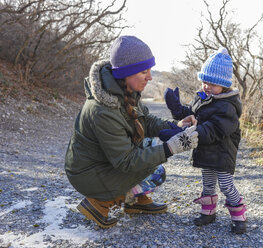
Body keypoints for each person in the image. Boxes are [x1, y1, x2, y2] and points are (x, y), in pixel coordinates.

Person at [64, 36, 199, 229]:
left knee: (152, 151)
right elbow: (126, 161)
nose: (150, 77)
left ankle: (134, 201)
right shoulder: (102, 110)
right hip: (87, 174)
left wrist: (176, 126)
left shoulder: (125, 90)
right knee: (154, 168)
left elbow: (145, 121)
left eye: (150, 70)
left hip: (101, 163)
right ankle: (99, 203)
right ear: (126, 73)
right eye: (144, 71)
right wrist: (170, 148)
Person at [161, 48, 246, 234]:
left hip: (222, 153)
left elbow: (214, 129)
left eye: (212, 84)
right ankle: (208, 212)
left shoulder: (228, 107)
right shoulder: (203, 98)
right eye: (204, 81)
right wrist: (178, 109)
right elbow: (192, 113)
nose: (207, 86)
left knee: (226, 184)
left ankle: (239, 214)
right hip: (206, 151)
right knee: (207, 183)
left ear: (223, 85)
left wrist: (189, 131)